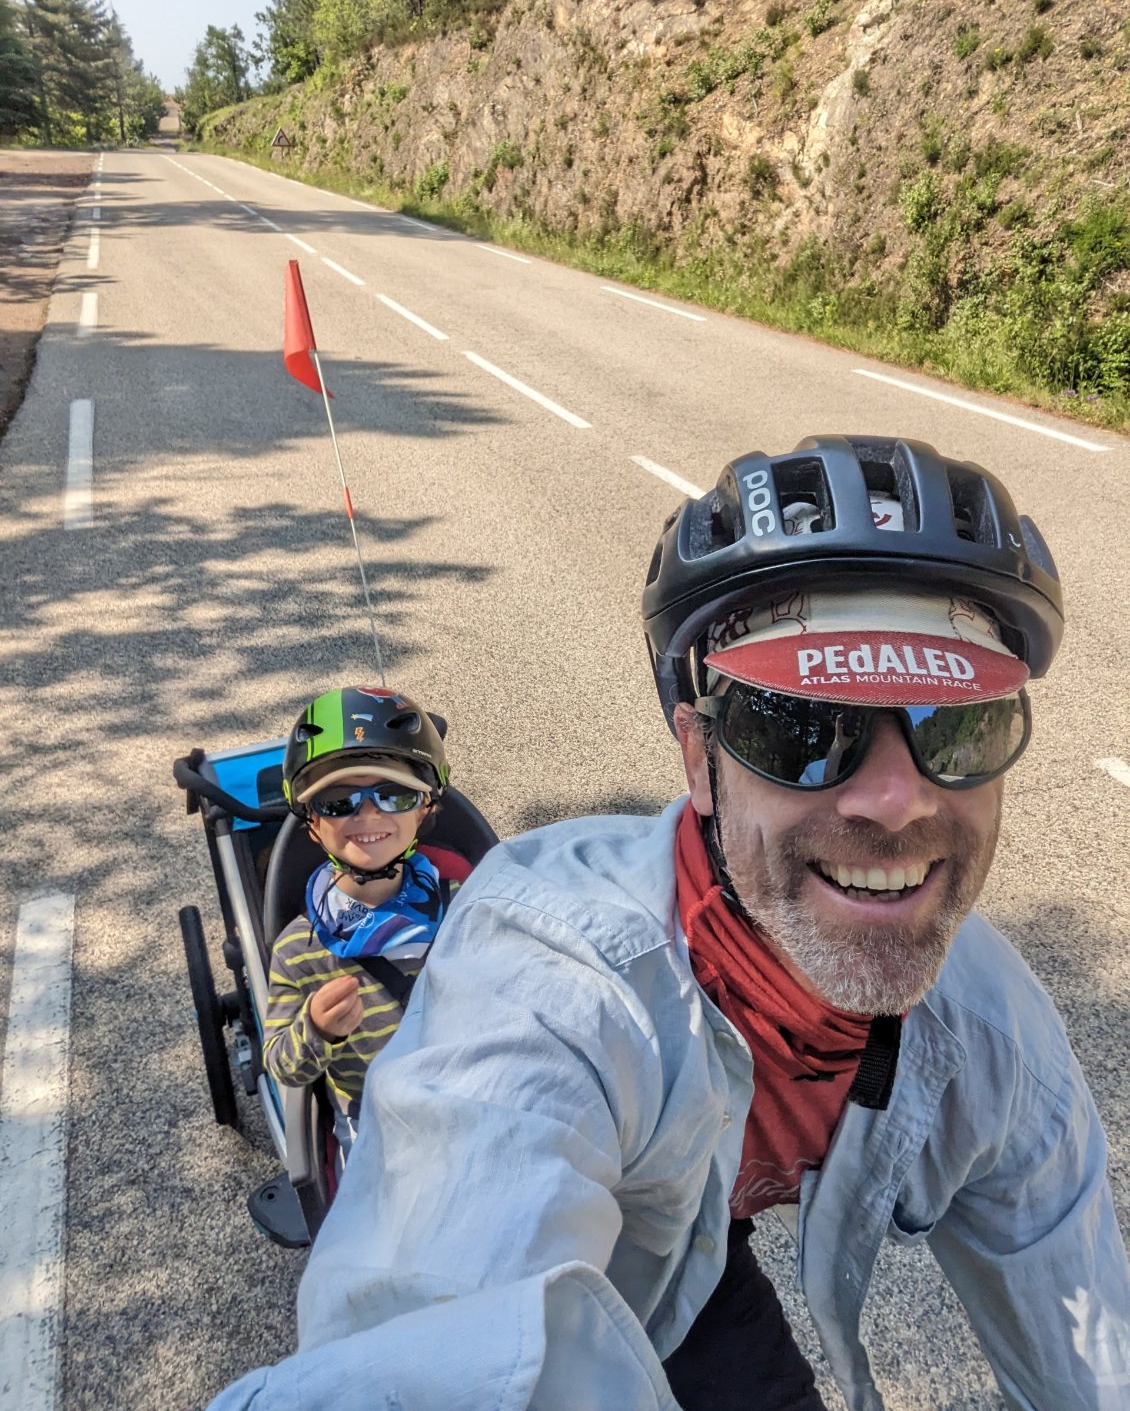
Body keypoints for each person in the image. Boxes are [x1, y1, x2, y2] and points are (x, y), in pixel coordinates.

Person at [211, 436, 1130, 1411]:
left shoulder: (994, 1037)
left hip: (691, 1228)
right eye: (800, 728)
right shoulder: (551, 975)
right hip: (625, 1227)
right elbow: (425, 1342)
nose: (895, 800)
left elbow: (1091, 1354)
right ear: (699, 761)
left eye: (959, 725)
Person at [263, 685, 452, 1156]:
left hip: (472, 1087)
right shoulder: (299, 950)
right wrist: (318, 1030)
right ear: (311, 821)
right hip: (375, 1116)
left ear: (426, 805)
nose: (368, 814)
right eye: (337, 802)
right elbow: (282, 1066)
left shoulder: (469, 909)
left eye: (392, 795)